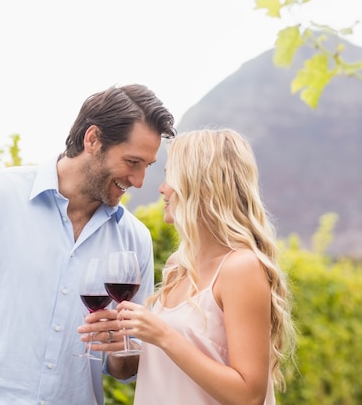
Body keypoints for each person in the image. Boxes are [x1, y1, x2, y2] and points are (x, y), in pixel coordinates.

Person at [0, 84, 176, 405]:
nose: (138, 181)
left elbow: (125, 366)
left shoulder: (135, 239)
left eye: (146, 166)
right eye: (132, 161)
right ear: (92, 139)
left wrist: (121, 345)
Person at [116, 129, 297, 405]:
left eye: (171, 177)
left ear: (201, 185)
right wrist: (118, 345)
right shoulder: (179, 266)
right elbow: (174, 367)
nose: (162, 188)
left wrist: (162, 335)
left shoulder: (240, 267)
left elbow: (249, 396)